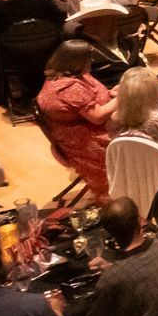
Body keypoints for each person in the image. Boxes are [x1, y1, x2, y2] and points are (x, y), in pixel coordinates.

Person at [35, 41, 115, 199]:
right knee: (140, 138)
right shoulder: (68, 88)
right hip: (83, 140)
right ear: (76, 61)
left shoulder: (71, 74)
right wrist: (126, 95)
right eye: (88, 59)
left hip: (88, 127)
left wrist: (112, 94)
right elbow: (97, 117)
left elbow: (93, 98)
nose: (91, 61)